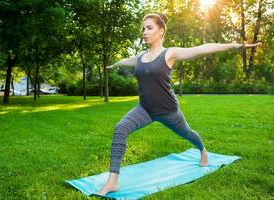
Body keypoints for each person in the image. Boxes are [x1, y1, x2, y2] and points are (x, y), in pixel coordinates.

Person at [99, 13, 261, 196]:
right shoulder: (141, 57)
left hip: (169, 111)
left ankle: (203, 150)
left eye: (149, 28)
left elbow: (203, 48)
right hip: (144, 109)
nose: (144, 32)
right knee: (120, 128)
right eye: (143, 28)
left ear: (161, 31)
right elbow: (127, 61)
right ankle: (113, 181)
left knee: (189, 134)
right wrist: (114, 65)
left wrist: (236, 45)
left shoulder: (170, 53)